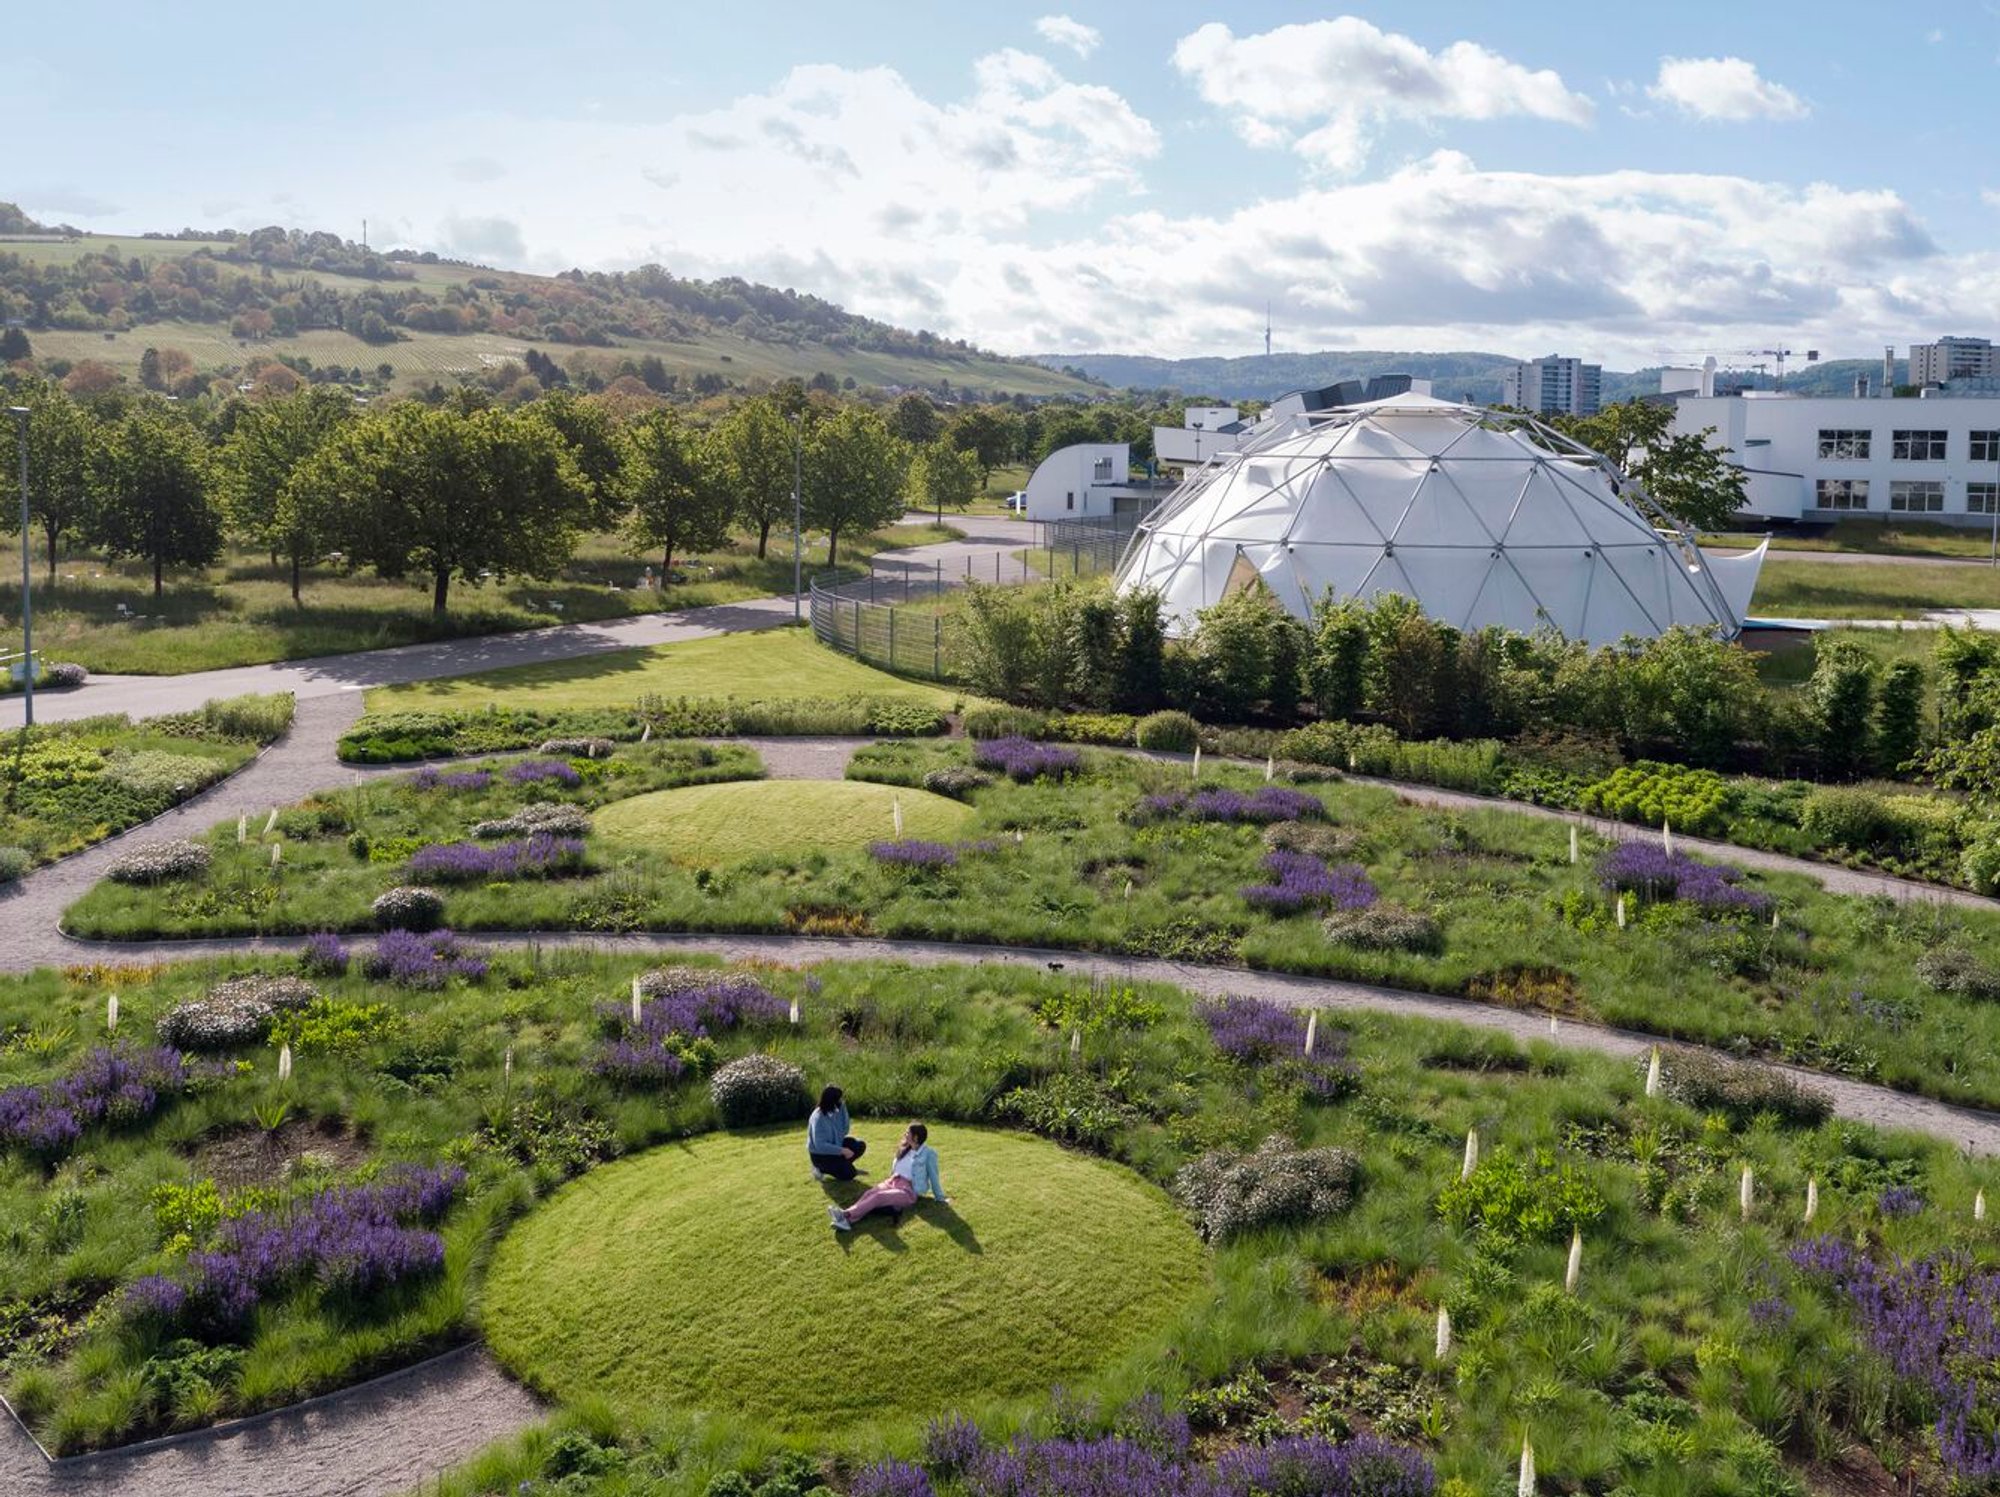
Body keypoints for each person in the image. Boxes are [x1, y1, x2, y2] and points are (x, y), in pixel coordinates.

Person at [830, 1123, 946, 1231]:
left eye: (907, 1133)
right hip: (892, 1181)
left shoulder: (928, 1154)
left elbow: (933, 1175)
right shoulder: (906, 1149)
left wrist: (940, 1197)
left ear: (915, 1137)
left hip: (907, 1190)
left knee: (878, 1197)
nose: (904, 1135)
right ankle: (847, 1220)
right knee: (869, 1193)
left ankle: (845, 1214)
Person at [807, 1085, 867, 1181]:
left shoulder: (838, 1109)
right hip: (821, 1155)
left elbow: (845, 1130)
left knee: (859, 1145)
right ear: (832, 1101)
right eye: (839, 1099)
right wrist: (842, 1150)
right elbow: (821, 1146)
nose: (841, 1101)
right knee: (849, 1174)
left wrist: (843, 1109)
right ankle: (820, 1169)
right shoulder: (818, 1118)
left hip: (835, 1147)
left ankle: (843, 1166)